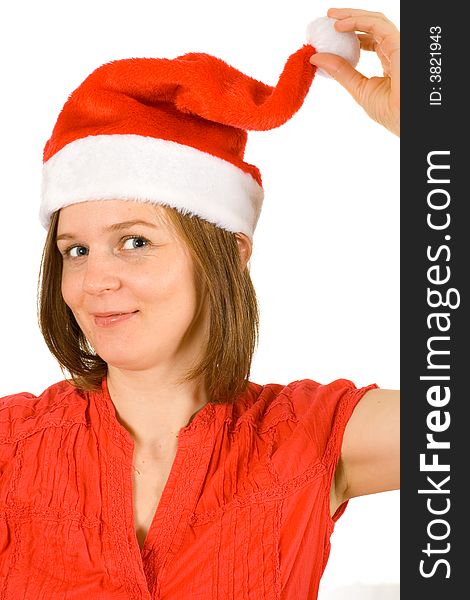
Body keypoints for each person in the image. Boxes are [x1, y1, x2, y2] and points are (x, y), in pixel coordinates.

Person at [0, 7, 399, 599]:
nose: (95, 280)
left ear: (229, 253)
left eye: (134, 242)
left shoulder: (309, 438)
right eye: (75, 250)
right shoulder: (11, 447)